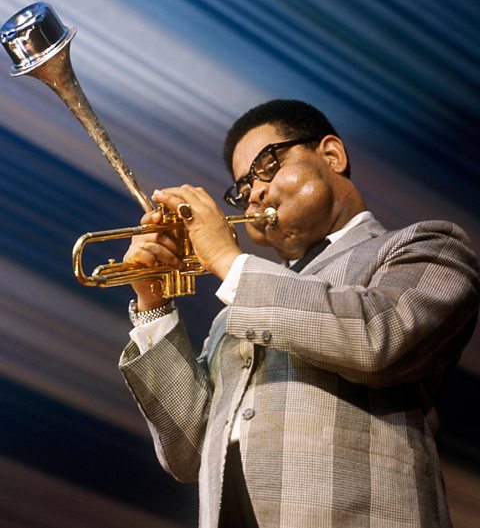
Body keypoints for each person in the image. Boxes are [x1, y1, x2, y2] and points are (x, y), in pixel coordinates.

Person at [119, 99, 479, 528]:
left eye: (267, 166)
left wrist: (227, 261)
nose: (254, 194)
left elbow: (379, 339)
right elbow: (188, 454)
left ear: (332, 155)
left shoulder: (427, 246)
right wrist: (153, 304)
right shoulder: (235, 311)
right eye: (242, 188)